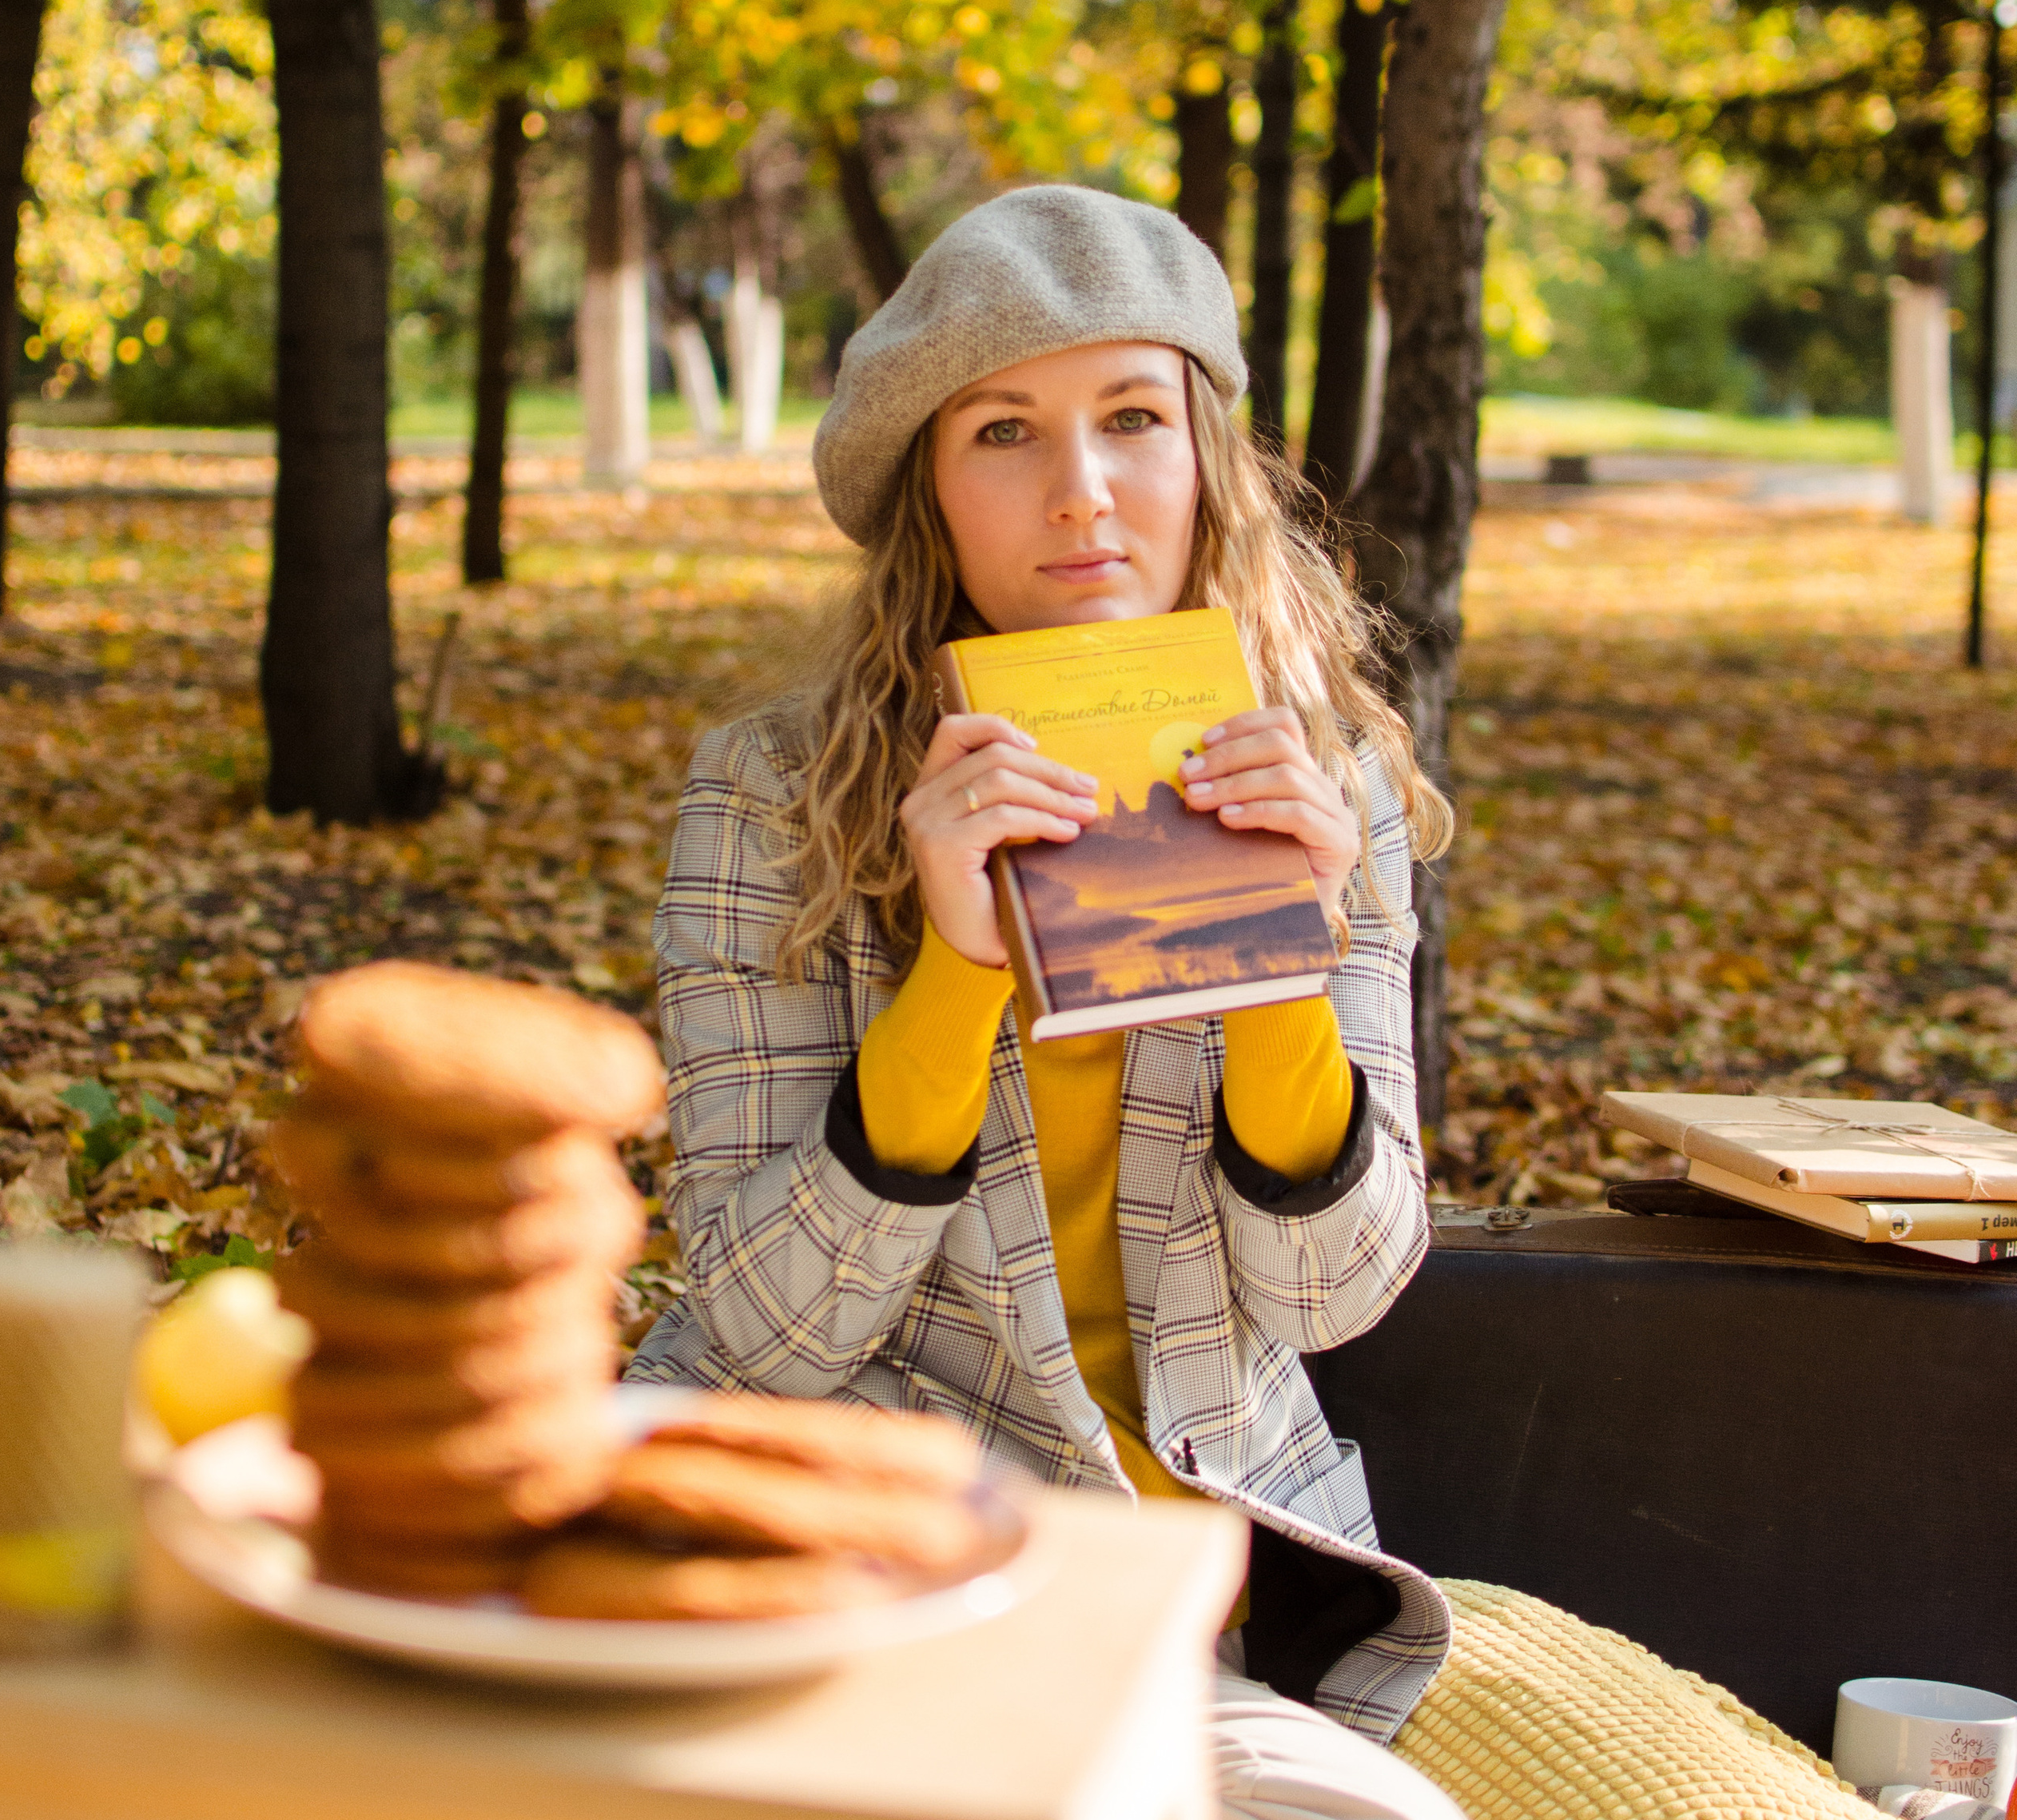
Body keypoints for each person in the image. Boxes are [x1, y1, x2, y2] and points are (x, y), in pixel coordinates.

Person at [628, 188, 1870, 1820]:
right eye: (1003, 431)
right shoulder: (779, 795)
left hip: (1182, 1597)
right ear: (927, 489)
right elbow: (766, 1327)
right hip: (836, 1551)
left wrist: (1284, 954)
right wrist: (957, 968)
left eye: (1131, 418)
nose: (1080, 492)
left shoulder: (1319, 785)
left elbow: (1336, 1289)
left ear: (1207, 457)